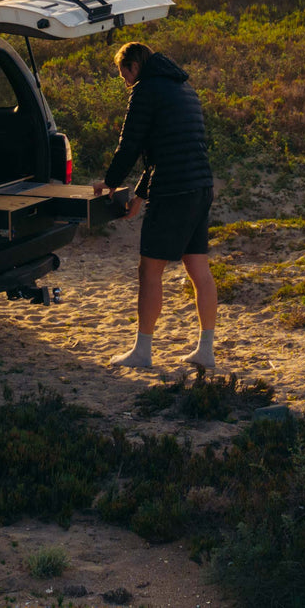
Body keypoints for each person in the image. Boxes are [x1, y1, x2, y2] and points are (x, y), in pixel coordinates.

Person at [92, 41, 217, 369]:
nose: (125, 82)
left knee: (149, 270)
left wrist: (108, 182)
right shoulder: (183, 87)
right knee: (198, 270)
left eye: (124, 75)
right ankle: (206, 350)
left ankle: (142, 352)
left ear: (133, 66)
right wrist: (140, 195)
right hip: (201, 186)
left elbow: (130, 143)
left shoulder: (146, 89)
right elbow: (165, 149)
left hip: (175, 190)